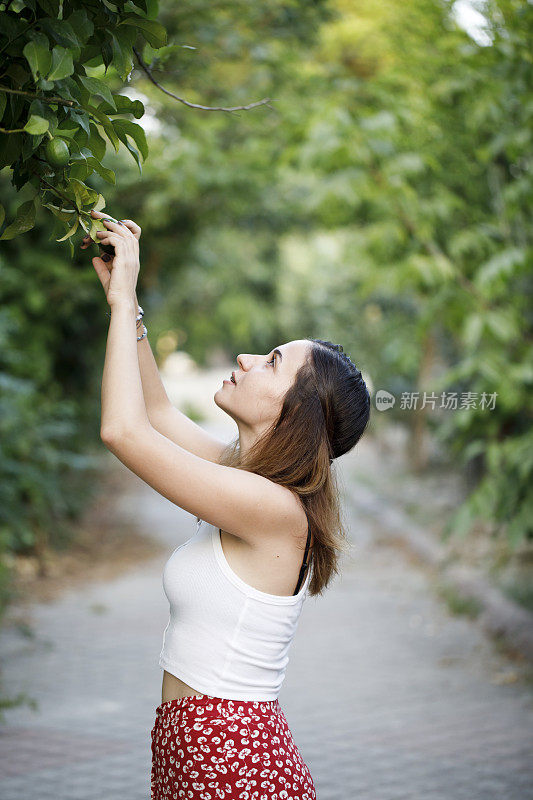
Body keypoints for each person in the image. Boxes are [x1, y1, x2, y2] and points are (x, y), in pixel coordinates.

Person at [81, 209, 371, 799]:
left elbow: (123, 430)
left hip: (231, 762)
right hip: (202, 751)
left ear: (299, 411)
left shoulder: (273, 509)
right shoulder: (245, 482)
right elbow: (157, 416)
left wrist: (121, 303)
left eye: (270, 363)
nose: (244, 359)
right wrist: (129, 308)